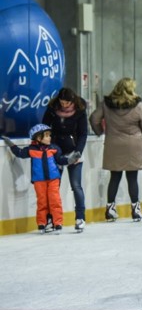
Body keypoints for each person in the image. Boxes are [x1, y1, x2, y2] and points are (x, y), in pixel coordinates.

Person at [89, 77, 142, 222]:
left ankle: (110, 210)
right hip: (132, 144)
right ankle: (136, 210)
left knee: (114, 177)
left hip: (113, 143)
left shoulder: (106, 104)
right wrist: (139, 133)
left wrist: (100, 131)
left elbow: (94, 119)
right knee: (132, 178)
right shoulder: (137, 105)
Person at [2, 124, 80, 233]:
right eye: (47, 136)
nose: (50, 137)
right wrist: (10, 144)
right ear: (39, 138)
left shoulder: (54, 148)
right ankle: (42, 223)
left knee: (55, 201)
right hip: (39, 180)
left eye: (49, 135)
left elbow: (60, 160)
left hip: (53, 179)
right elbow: (19, 153)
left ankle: (57, 223)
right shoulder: (31, 150)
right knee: (42, 202)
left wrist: (70, 160)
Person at [41, 88, 88, 232]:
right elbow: (44, 128)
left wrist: (78, 151)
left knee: (76, 186)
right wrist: (48, 147)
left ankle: (80, 218)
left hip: (73, 152)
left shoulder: (80, 111)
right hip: (55, 152)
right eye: (62, 102)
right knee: (53, 188)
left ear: (72, 101)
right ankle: (51, 219)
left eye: (67, 103)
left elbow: (83, 133)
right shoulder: (52, 109)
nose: (64, 105)